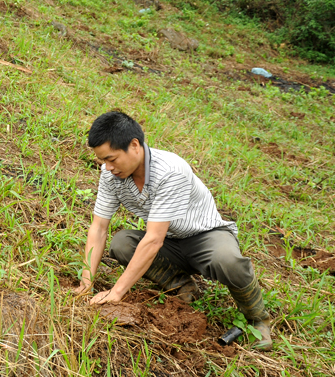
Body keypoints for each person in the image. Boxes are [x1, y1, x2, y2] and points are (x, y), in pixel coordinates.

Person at [74, 111, 273, 351]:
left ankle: (257, 318)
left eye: (112, 159)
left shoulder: (170, 171)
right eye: (103, 161)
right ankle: (182, 285)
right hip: (170, 241)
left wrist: (117, 292)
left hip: (205, 237)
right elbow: (99, 227)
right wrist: (87, 281)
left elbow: (154, 239)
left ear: (134, 145)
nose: (108, 167)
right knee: (123, 243)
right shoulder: (111, 175)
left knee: (228, 260)